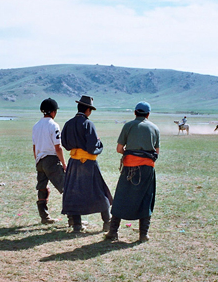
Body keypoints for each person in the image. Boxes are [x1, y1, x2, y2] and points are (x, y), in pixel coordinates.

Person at [105, 101, 160, 242]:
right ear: (148, 114)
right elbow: (156, 152)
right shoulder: (155, 128)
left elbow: (119, 149)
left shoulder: (128, 126)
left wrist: (130, 154)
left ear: (135, 113)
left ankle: (112, 232)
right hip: (147, 169)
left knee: (121, 197)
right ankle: (143, 234)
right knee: (146, 198)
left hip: (129, 169)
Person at [61, 95, 112, 233]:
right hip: (88, 164)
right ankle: (107, 222)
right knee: (99, 191)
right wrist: (99, 143)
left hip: (74, 163)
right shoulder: (88, 124)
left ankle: (77, 225)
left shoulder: (68, 123)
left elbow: (64, 144)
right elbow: (92, 147)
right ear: (88, 110)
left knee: (73, 192)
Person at [32, 98, 69, 224]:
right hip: (51, 160)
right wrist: (64, 164)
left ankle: (44, 216)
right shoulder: (54, 125)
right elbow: (58, 147)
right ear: (53, 112)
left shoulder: (36, 125)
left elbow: (34, 147)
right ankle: (73, 219)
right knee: (66, 187)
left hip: (40, 160)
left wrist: (37, 160)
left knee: (42, 188)